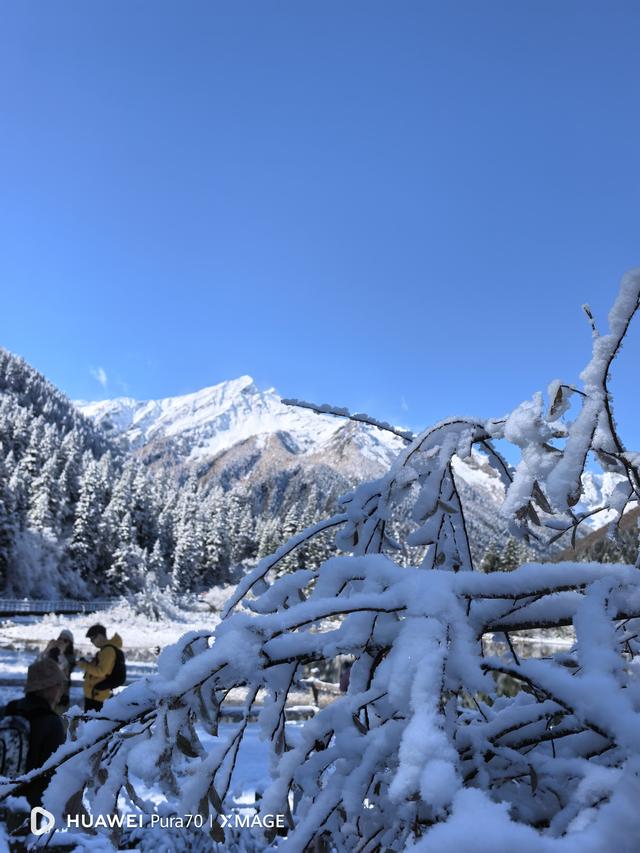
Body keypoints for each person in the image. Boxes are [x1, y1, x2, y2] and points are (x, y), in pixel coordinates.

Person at [0, 658, 66, 807]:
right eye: (58, 684)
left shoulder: (9, 708)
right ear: (47, 687)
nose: (61, 689)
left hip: (3, 792)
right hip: (27, 804)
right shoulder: (52, 722)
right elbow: (51, 773)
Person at [77, 624, 125, 713]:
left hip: (97, 695)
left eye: (92, 639)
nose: (92, 642)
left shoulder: (108, 651)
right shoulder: (105, 650)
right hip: (95, 694)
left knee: (93, 720)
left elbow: (101, 671)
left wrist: (84, 665)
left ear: (100, 635)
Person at [41, 629, 76, 712]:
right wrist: (47, 649)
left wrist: (60, 653)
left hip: (61, 697)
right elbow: (38, 665)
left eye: (65, 640)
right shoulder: (51, 653)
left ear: (70, 644)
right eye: (59, 639)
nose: (61, 642)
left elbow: (61, 669)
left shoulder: (70, 657)